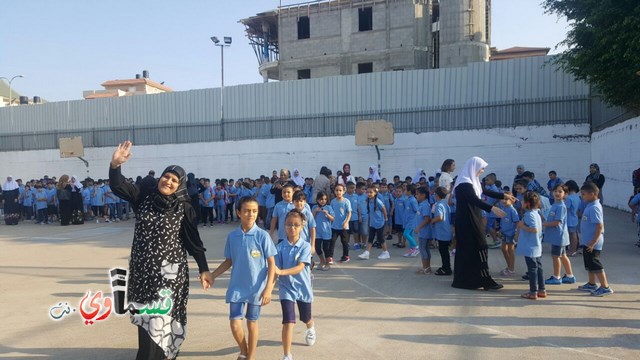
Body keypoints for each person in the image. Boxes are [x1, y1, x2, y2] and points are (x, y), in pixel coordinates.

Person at [109, 140, 213, 359]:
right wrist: (116, 165)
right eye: (166, 176)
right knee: (146, 321)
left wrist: (204, 268)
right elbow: (118, 186)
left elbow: (193, 241)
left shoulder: (184, 208)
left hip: (169, 274)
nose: (168, 181)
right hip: (142, 272)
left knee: (158, 319)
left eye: (174, 180)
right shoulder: (143, 198)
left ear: (180, 185)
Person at [209, 196, 277, 360]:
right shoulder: (233, 236)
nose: (251, 214)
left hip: (256, 289)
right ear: (238, 212)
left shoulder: (262, 236)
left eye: (254, 211)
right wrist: (212, 275)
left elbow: (272, 264)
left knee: (251, 323)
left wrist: (268, 289)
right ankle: (244, 350)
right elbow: (228, 261)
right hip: (237, 287)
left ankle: (250, 357)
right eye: (246, 211)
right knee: (234, 322)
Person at [451, 157, 513, 291]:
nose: (483, 171)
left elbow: (486, 191)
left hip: (472, 218)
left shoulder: (473, 182)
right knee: (480, 247)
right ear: (474, 167)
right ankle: (485, 280)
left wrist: (504, 196)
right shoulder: (464, 184)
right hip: (468, 220)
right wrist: (491, 208)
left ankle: (467, 280)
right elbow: (473, 199)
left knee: (471, 249)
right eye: (482, 167)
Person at [274, 209, 316, 360]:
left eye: (296, 225)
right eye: (289, 224)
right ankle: (287, 355)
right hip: (286, 289)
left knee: (306, 317)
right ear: (284, 226)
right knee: (288, 321)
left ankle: (310, 327)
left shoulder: (305, 247)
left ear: (302, 227)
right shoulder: (278, 248)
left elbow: (300, 267)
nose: (292, 228)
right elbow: (274, 271)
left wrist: (281, 272)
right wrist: (268, 287)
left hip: (303, 288)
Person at [577, 182, 613, 296]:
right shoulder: (590, 205)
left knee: (595, 263)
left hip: (593, 242)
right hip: (588, 241)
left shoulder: (595, 207)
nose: (582, 196)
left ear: (592, 194)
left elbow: (599, 225)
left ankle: (605, 287)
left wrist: (593, 241)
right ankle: (592, 284)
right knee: (589, 263)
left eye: (583, 194)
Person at [542, 184, 576, 285]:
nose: (557, 193)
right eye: (555, 191)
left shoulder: (561, 206)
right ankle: (570, 276)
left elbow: (557, 222)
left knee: (555, 256)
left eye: (560, 192)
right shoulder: (555, 205)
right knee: (563, 255)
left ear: (565, 194)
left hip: (559, 236)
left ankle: (556, 277)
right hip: (557, 236)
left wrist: (542, 224)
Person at [516, 191, 546, 300]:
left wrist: (522, 226)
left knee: (532, 269)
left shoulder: (529, 215)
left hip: (531, 247)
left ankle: (533, 291)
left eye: (523, 201)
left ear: (527, 204)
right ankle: (541, 289)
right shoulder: (536, 213)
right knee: (538, 268)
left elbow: (534, 229)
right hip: (536, 246)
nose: (521, 202)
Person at [357, 185, 390, 260]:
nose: (368, 194)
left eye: (371, 192)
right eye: (367, 192)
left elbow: (384, 209)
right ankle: (367, 253)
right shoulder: (368, 200)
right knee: (370, 238)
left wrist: (385, 219)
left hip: (379, 222)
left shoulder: (378, 201)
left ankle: (386, 252)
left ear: (375, 193)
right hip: (372, 223)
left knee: (381, 238)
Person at [431, 187, 453, 276]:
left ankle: (446, 268)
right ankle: (445, 266)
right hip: (446, 230)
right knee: (444, 252)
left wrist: (432, 221)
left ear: (437, 195)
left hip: (442, 232)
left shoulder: (439, 205)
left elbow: (440, 217)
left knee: (443, 252)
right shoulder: (445, 204)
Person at [312, 191, 335, 271]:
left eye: (325, 199)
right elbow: (311, 218)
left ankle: (327, 263)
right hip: (317, 232)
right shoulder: (314, 207)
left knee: (326, 249)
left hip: (326, 232)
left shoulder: (329, 207)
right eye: (321, 199)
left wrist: (327, 214)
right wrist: (315, 211)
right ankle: (322, 260)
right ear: (317, 200)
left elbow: (333, 218)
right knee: (317, 248)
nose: (323, 201)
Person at [330, 184, 352, 263]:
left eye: (340, 190)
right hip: (334, 226)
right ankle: (330, 257)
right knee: (332, 241)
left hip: (343, 226)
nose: (338, 192)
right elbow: (331, 212)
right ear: (334, 191)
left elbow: (349, 213)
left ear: (343, 191)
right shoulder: (333, 201)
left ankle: (345, 256)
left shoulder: (346, 201)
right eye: (337, 190)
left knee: (344, 242)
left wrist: (346, 222)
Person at [402, 184, 419, 257]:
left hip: (411, 221)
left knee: (406, 234)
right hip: (407, 220)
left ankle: (416, 247)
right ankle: (412, 250)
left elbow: (416, 210)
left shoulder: (413, 200)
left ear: (409, 191)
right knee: (411, 235)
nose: (404, 191)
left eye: (405, 190)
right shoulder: (408, 199)